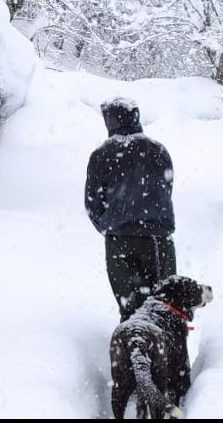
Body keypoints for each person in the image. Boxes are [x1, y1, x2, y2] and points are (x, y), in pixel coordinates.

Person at [85, 97, 177, 320]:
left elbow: (92, 203)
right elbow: (167, 189)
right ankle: (166, 349)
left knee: (132, 309)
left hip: (120, 239)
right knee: (165, 306)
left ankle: (134, 349)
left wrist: (109, 224)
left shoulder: (102, 154)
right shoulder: (158, 149)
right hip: (159, 238)